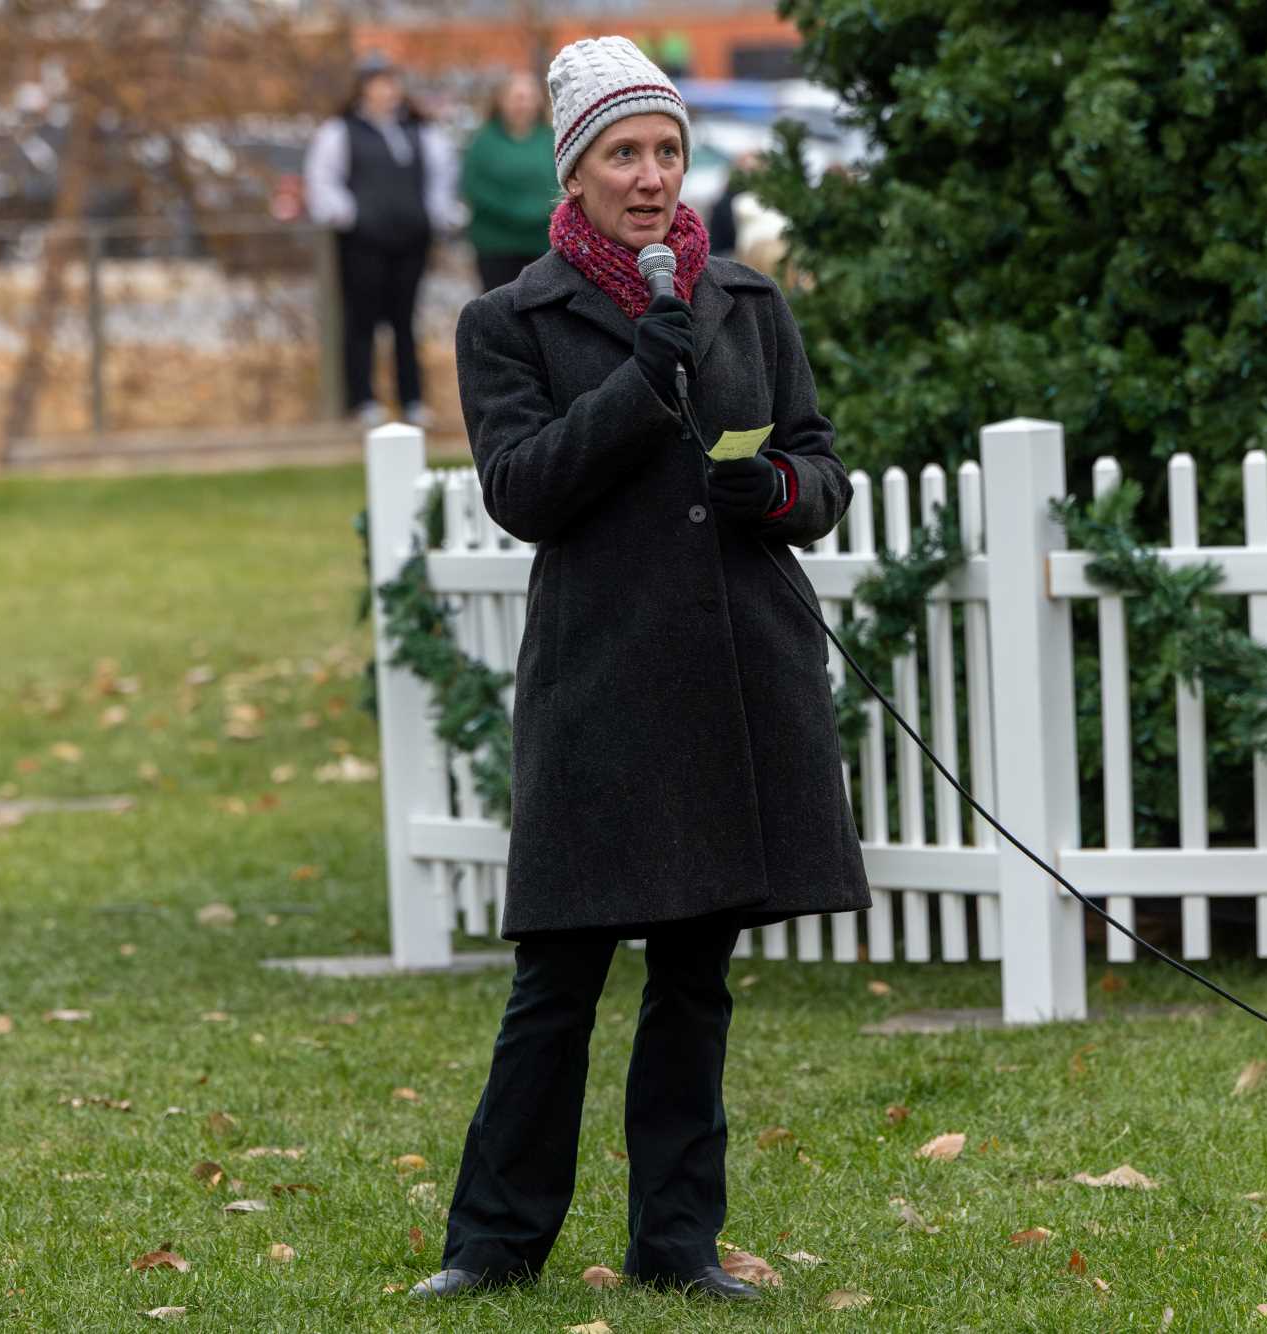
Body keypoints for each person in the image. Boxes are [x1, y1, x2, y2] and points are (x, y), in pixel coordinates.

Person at [411, 35, 871, 1304]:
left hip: (733, 678)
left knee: (693, 978)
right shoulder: (508, 321)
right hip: (599, 688)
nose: (654, 174)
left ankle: (678, 1245)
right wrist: (641, 374)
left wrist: (774, 486)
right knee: (556, 977)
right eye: (625, 151)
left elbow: (822, 466)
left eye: (667, 149)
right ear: (576, 169)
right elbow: (520, 487)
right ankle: (490, 1246)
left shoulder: (751, 302)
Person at [304, 53, 457, 429]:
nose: (386, 92)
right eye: (378, 84)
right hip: (363, 243)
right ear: (363, 89)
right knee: (362, 320)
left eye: (391, 83)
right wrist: (350, 215)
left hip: (410, 240)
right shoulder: (340, 131)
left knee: (405, 321)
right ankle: (363, 399)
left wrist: (434, 216)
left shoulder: (420, 132)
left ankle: (412, 400)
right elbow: (322, 180)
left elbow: (441, 179)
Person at [460, 72, 557, 293]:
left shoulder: (550, 139)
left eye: (528, 97)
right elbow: (474, 187)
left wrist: (542, 211)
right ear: (501, 101)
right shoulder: (484, 141)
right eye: (516, 97)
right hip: (496, 245)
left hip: (542, 243)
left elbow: (563, 183)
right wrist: (517, 212)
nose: (522, 104)